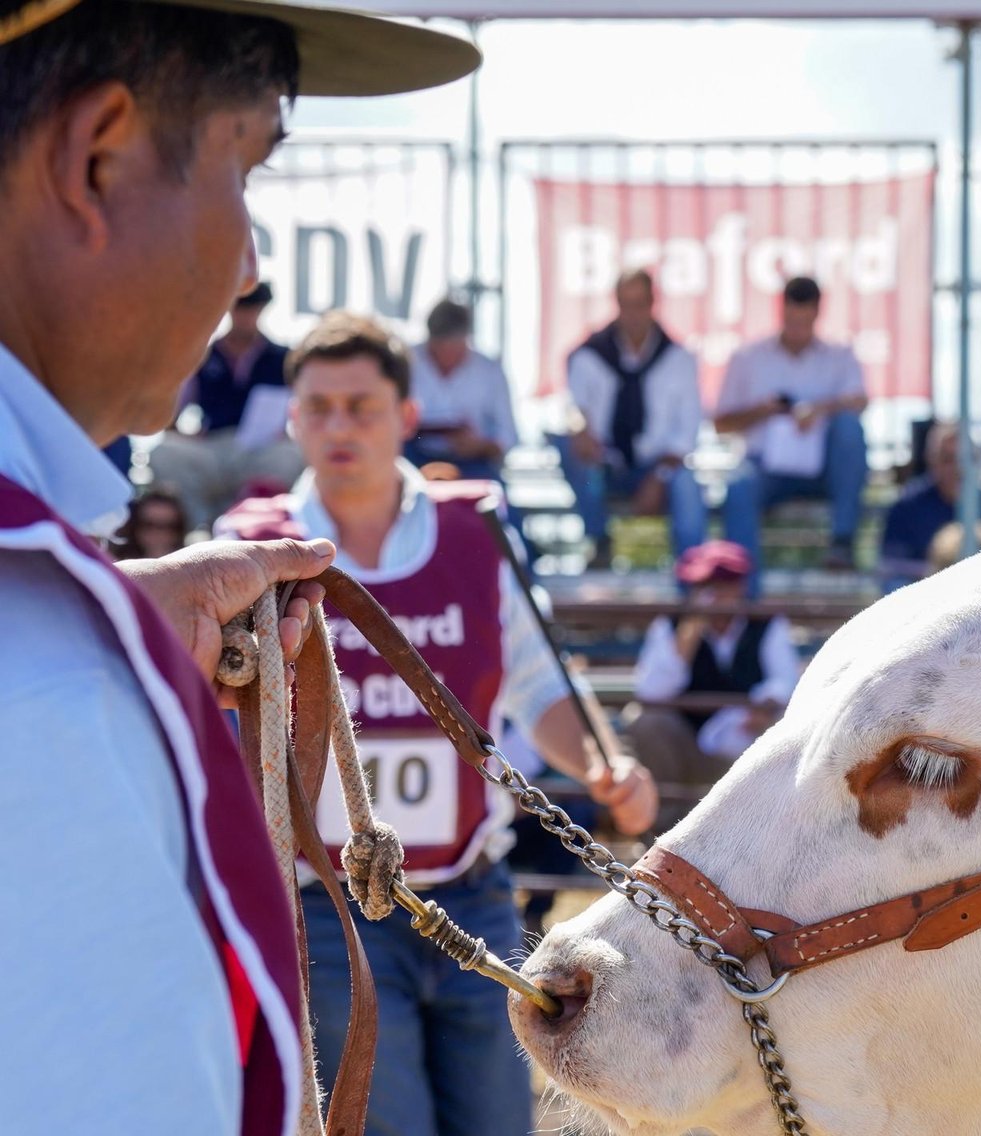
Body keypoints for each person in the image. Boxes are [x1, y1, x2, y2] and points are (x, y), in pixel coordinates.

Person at [0, 4, 478, 1134]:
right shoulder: (48, 698)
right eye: (245, 166)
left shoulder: (59, 636)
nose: (250, 254)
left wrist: (112, 615)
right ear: (97, 159)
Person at [218, 311, 659, 1136]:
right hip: (329, 907)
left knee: (497, 1121)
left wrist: (605, 765)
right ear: (291, 417)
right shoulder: (247, 549)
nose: (339, 426)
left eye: (362, 406)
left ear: (406, 417)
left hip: (473, 891)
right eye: (319, 407)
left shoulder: (475, 533)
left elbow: (538, 687)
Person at [624, 541, 800, 827]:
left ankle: (765, 827)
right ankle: (666, 827)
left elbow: (784, 682)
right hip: (688, 746)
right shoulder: (669, 626)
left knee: (782, 723)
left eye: (723, 584)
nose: (714, 594)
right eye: (704, 585)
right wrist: (687, 638)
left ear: (741, 587)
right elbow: (650, 692)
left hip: (749, 749)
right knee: (647, 722)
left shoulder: (767, 624)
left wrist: (762, 706)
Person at [717, 276, 870, 577]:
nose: (798, 330)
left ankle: (842, 543)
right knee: (738, 486)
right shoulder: (748, 358)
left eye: (805, 321)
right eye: (792, 320)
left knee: (849, 429)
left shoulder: (839, 356)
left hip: (823, 470)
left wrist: (819, 409)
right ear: (781, 310)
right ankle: (738, 586)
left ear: (816, 313)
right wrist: (762, 411)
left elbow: (860, 402)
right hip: (766, 466)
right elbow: (721, 423)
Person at [558, 269, 708, 566]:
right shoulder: (587, 356)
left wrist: (659, 476)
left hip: (657, 467)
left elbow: (687, 434)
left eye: (640, 304)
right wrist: (580, 432)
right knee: (568, 449)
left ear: (653, 303)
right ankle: (599, 542)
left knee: (687, 484)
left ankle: (694, 573)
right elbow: (573, 408)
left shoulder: (678, 359)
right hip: (605, 466)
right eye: (626, 304)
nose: (633, 314)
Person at [148, 281, 304, 529]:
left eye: (252, 308)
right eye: (240, 308)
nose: (246, 315)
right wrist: (185, 433)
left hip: (260, 453)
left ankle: (259, 528)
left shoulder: (283, 358)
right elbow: (169, 414)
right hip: (213, 448)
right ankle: (196, 528)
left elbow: (303, 410)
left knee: (290, 454)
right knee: (164, 453)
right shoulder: (203, 354)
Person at [879, 422, 981, 591]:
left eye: (965, 459)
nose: (957, 468)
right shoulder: (907, 507)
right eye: (947, 459)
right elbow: (892, 565)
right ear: (932, 460)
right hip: (925, 597)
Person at [404, 297, 519, 482]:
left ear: (466, 339)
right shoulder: (405, 362)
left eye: (453, 347)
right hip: (412, 459)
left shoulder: (489, 371)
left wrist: (481, 446)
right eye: (439, 347)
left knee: (497, 505)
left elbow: (508, 434)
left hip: (471, 464)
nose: (446, 355)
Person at [112, 487, 190, 561]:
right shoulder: (113, 567)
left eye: (167, 526)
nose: (157, 533)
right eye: (149, 525)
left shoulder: (196, 570)